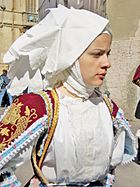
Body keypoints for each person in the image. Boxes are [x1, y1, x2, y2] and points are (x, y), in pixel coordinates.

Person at [0, 5, 136, 187]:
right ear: (70, 57)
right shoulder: (38, 107)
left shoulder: (109, 108)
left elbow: (109, 168)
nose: (107, 63)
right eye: (97, 54)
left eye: (107, 54)